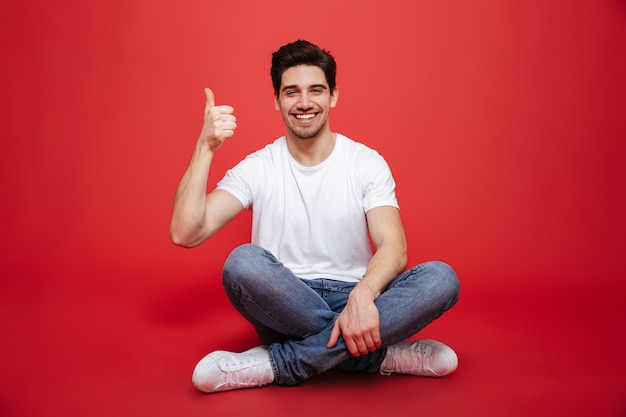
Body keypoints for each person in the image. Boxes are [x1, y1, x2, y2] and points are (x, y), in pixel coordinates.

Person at [170, 39, 460, 393]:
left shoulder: (365, 163)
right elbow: (186, 232)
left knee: (440, 279)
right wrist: (205, 147)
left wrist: (363, 295)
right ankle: (375, 355)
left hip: (358, 299)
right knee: (242, 262)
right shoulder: (258, 167)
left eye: (316, 90)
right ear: (277, 100)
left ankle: (280, 363)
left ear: (333, 96)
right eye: (292, 92)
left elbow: (394, 246)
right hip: (286, 304)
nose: (304, 103)